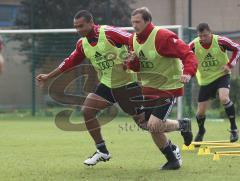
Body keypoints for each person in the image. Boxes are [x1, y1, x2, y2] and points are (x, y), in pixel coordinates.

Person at [36, 10, 142, 166]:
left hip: (128, 83)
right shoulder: (83, 44)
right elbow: (69, 62)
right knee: (87, 110)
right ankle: (102, 151)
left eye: (81, 26)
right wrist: (47, 76)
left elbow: (134, 40)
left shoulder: (109, 33)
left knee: (145, 124)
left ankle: (180, 127)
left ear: (91, 23)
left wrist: (133, 55)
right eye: (75, 27)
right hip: (107, 84)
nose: (78, 30)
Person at [128, 7, 198, 170]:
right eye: (132, 22)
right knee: (145, 124)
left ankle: (178, 138)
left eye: (137, 22)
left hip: (168, 87)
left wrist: (188, 72)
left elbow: (188, 54)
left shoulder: (163, 36)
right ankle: (174, 154)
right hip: (149, 89)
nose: (134, 25)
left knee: (154, 125)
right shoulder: (133, 39)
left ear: (147, 21)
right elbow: (138, 66)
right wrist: (131, 62)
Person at [189, 23, 240, 143]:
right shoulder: (193, 45)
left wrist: (230, 65)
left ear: (210, 33)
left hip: (222, 75)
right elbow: (184, 55)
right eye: (200, 36)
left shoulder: (220, 41)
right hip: (205, 79)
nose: (203, 39)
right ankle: (201, 131)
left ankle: (233, 128)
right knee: (200, 112)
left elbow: (237, 48)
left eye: (205, 36)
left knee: (224, 98)